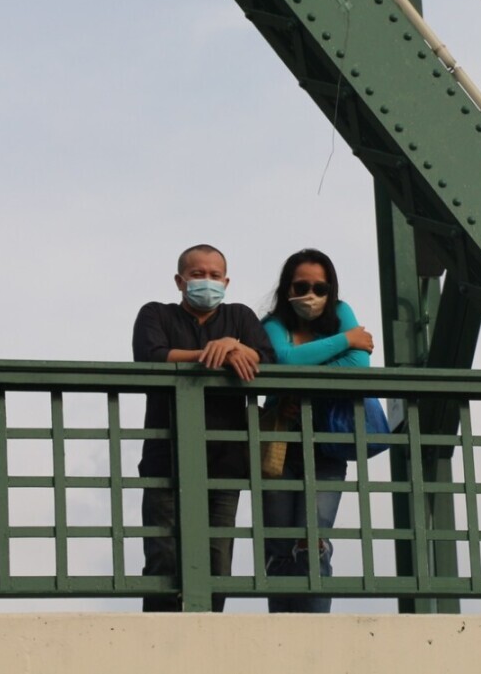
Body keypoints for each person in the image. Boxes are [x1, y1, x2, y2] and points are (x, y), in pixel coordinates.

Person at [132, 243, 273, 612]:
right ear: (180, 281)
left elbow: (266, 358)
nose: (206, 281)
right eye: (197, 275)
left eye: (214, 275)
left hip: (225, 462)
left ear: (226, 281)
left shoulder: (240, 317)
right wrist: (216, 353)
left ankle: (205, 641)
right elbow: (152, 356)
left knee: (216, 563)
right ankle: (159, 644)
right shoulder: (156, 314)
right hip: (166, 458)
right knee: (163, 558)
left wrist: (236, 345)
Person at [260, 248, 374, 613]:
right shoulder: (273, 324)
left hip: (328, 447)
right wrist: (345, 341)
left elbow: (358, 368)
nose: (311, 294)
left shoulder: (341, 311)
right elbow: (284, 359)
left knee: (314, 542)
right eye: (302, 285)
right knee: (279, 550)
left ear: (331, 290)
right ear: (287, 288)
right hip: (279, 446)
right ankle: (283, 639)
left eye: (320, 287)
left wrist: (301, 376)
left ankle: (314, 635)